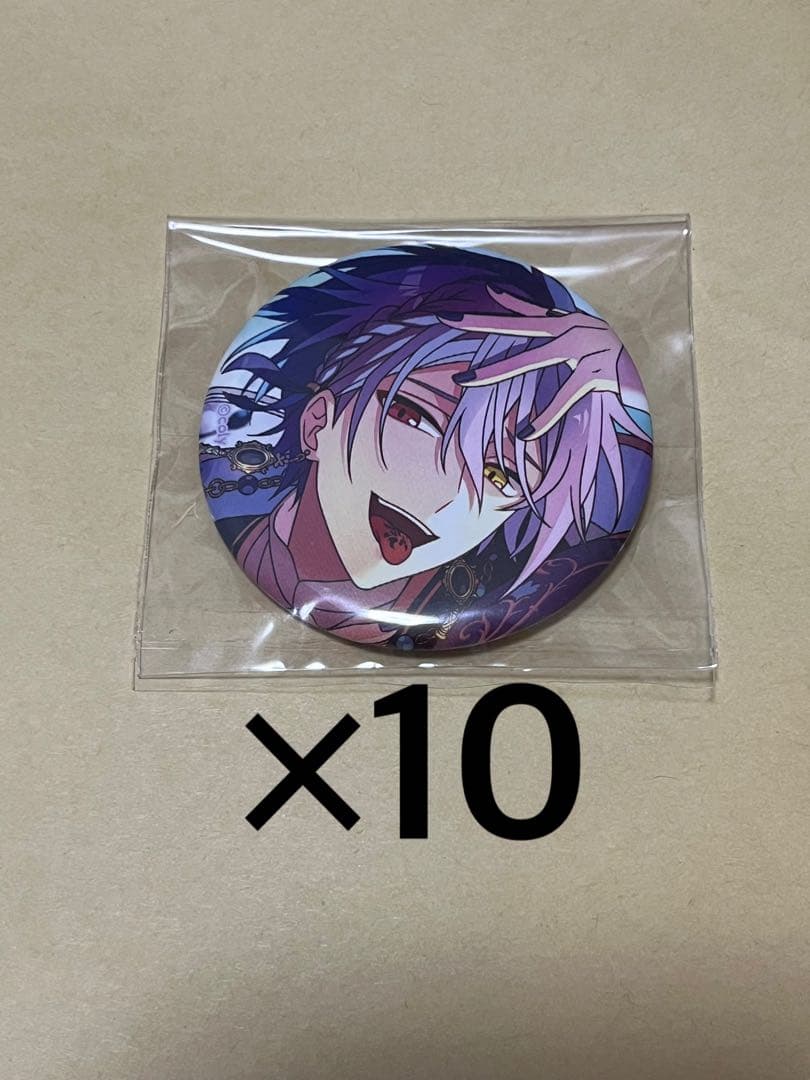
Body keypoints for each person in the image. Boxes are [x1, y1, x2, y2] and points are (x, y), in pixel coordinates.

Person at [200, 245, 652, 649]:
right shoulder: (236, 509)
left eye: (499, 474)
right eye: (415, 417)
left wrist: (618, 383)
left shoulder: (516, 592)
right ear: (319, 422)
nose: (443, 496)